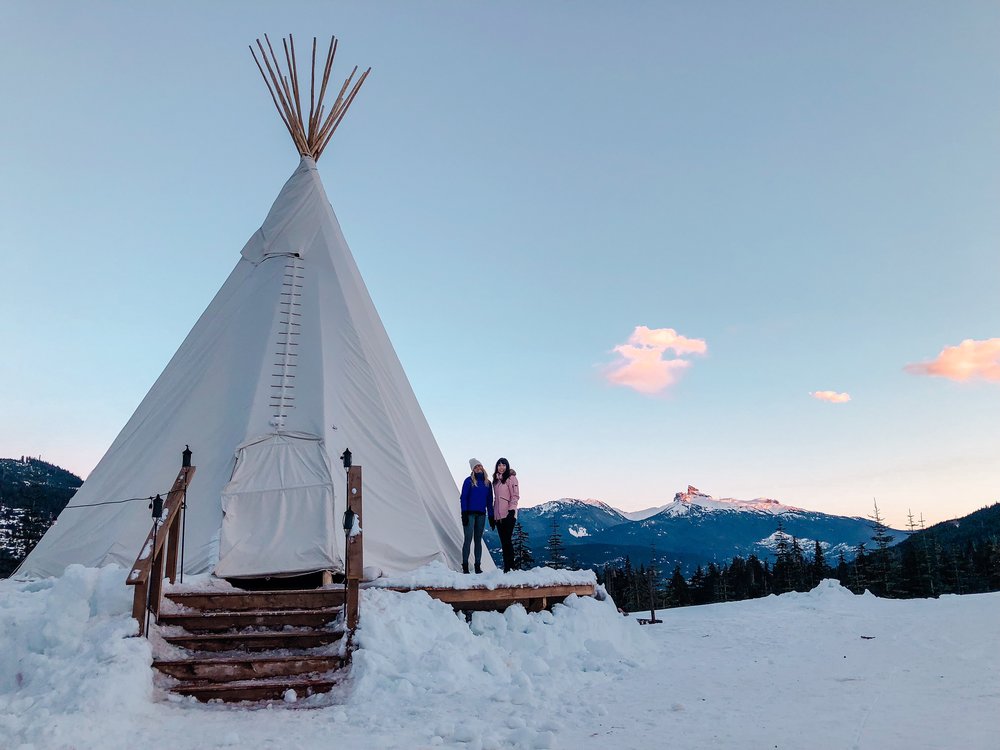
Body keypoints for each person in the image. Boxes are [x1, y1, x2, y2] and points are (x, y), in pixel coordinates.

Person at [460, 458, 494, 574]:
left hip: (481, 515)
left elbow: (490, 501)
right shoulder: (468, 481)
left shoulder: (487, 483)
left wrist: (491, 516)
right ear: (473, 469)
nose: (478, 468)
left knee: (478, 540)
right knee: (468, 539)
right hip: (469, 514)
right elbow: (463, 498)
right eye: (476, 467)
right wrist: (464, 513)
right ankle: (465, 565)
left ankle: (478, 566)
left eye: (480, 466)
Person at [492, 457, 520, 573]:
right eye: (499, 465)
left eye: (504, 465)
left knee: (507, 540)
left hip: (508, 514)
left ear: (507, 466)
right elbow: (496, 500)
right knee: (504, 542)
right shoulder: (496, 481)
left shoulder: (511, 478)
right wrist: (493, 517)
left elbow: (515, 496)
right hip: (498, 517)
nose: (501, 467)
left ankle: (511, 566)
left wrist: (512, 510)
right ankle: (506, 567)